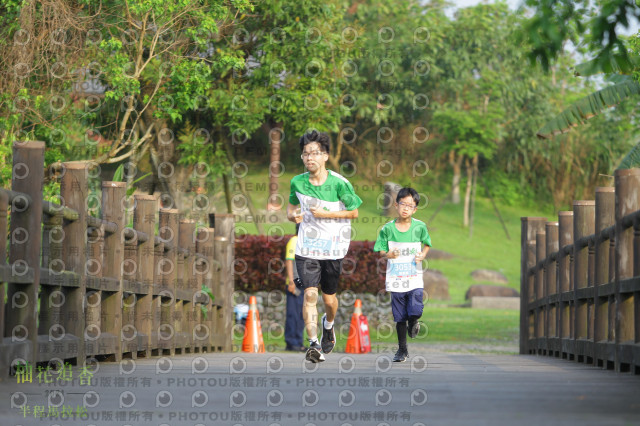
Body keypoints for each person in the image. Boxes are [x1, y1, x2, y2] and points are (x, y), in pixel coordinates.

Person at [287, 130, 362, 363]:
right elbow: (291, 208)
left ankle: (328, 325)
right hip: (307, 248)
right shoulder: (297, 182)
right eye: (305, 153)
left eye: (315, 153)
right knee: (310, 294)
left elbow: (354, 212)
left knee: (329, 300)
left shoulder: (340, 183)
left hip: (333, 248)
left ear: (325, 156)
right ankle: (313, 344)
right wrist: (292, 216)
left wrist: (327, 214)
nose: (309, 157)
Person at [374, 187, 432, 362]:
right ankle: (402, 350)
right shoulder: (387, 229)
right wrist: (388, 254)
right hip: (396, 279)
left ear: (415, 209)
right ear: (396, 205)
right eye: (403, 204)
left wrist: (423, 254)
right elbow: (380, 250)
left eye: (410, 205)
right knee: (399, 317)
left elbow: (427, 244)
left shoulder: (419, 226)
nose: (406, 208)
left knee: (415, 310)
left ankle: (413, 322)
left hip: (414, 278)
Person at [284, 224, 306, 352]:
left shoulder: (305, 242)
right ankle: (291, 342)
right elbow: (289, 261)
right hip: (295, 283)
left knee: (301, 314)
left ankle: (298, 341)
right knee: (293, 314)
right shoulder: (294, 241)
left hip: (303, 283)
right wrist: (291, 282)